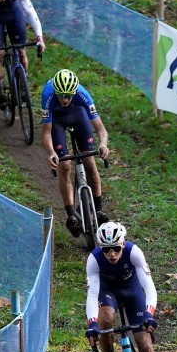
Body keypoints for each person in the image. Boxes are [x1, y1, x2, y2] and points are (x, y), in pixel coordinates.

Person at [84, 222, 169, 352]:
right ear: (100, 248)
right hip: (108, 293)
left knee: (146, 348)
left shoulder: (134, 253)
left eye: (116, 249)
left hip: (132, 293)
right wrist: (92, 324)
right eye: (107, 250)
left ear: (123, 244)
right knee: (105, 321)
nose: (112, 254)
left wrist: (149, 315)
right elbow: (93, 294)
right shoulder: (94, 259)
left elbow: (149, 287)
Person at [40, 68, 109, 236]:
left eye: (68, 95)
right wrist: (51, 153)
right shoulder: (47, 95)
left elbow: (101, 128)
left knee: (90, 163)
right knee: (64, 165)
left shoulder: (82, 94)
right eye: (61, 95)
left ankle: (98, 210)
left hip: (78, 115)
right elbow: (46, 132)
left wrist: (103, 144)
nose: (64, 99)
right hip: (57, 119)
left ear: (74, 92)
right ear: (55, 91)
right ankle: (71, 214)